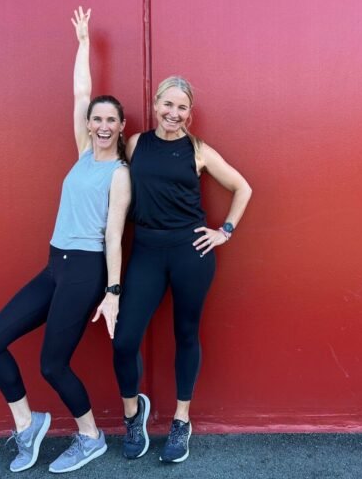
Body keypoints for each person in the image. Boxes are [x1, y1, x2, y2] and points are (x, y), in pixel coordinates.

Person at [0, 7, 130, 474]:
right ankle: (27, 424)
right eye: (96, 118)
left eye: (110, 121)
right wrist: (83, 44)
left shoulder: (119, 174)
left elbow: (116, 235)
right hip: (55, 264)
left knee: (52, 365)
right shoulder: (83, 153)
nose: (102, 125)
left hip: (86, 270)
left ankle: (91, 437)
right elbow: (81, 91)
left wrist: (113, 292)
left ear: (121, 128)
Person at [112, 75, 253, 463]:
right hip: (146, 251)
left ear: (190, 113)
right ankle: (132, 414)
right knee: (125, 339)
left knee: (186, 333)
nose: (174, 113)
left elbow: (243, 188)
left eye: (182, 107)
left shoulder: (199, 150)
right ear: (156, 104)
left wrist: (225, 231)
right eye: (168, 105)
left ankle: (181, 420)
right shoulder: (136, 143)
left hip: (191, 252)